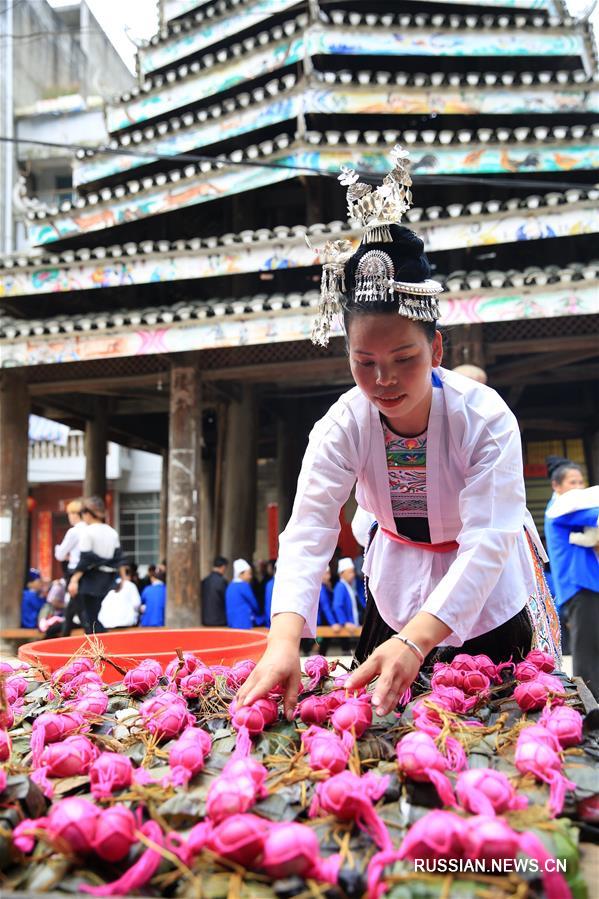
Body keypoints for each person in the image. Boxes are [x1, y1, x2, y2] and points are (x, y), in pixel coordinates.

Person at [236, 145, 558, 720]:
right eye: (364, 362)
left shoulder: (485, 417)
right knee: (382, 729)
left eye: (404, 359)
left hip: (485, 595)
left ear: (437, 349)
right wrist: (283, 641)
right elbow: (309, 529)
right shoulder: (342, 424)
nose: (383, 380)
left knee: (494, 727)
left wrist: (418, 640)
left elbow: (489, 538)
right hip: (395, 586)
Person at [544, 460, 599, 698]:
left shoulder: (568, 509)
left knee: (592, 644)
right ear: (556, 486)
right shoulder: (560, 510)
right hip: (579, 585)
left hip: (587, 584)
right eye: (572, 482)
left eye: (580, 482)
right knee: (587, 649)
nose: (578, 487)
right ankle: (590, 701)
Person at [66, 496, 121, 635]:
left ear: (88, 514)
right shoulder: (112, 532)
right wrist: (122, 578)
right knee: (94, 615)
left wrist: (74, 579)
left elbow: (85, 559)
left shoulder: (87, 532)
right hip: (108, 578)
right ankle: (101, 641)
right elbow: (118, 557)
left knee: (90, 617)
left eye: (83, 512)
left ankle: (100, 644)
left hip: (90, 579)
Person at [99, 565, 142, 630]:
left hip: (106, 623)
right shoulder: (130, 585)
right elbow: (137, 604)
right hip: (124, 624)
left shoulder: (109, 585)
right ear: (129, 575)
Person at [225, 559, 263, 629]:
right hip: (243, 622)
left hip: (232, 622)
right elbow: (253, 603)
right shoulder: (244, 586)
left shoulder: (230, 586)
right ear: (241, 574)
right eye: (249, 573)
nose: (250, 576)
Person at [54, 499, 86, 576]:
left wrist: (68, 556)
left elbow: (60, 555)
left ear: (75, 514)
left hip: (75, 569)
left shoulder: (74, 531)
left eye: (69, 514)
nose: (69, 517)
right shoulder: (91, 528)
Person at [333, 557, 363, 629]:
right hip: (348, 628)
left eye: (353, 572)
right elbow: (337, 606)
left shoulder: (349, 586)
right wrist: (344, 622)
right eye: (350, 572)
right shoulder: (340, 586)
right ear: (341, 574)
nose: (352, 575)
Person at [201, 556, 229, 626]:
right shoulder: (222, 581)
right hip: (219, 620)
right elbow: (227, 599)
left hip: (205, 619)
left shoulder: (205, 581)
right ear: (223, 567)